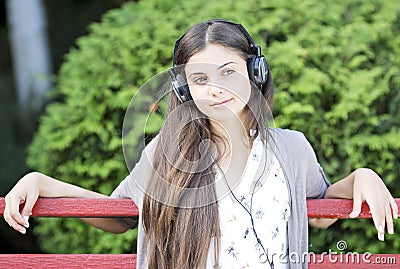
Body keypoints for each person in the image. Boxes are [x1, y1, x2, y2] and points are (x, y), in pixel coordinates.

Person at [3, 19, 398, 269]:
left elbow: (320, 210)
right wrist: (43, 183)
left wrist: (362, 177)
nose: (216, 89)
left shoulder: (291, 149)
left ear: (254, 72)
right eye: (201, 79)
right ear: (185, 87)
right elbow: (118, 215)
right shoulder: (166, 153)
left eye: (228, 72)